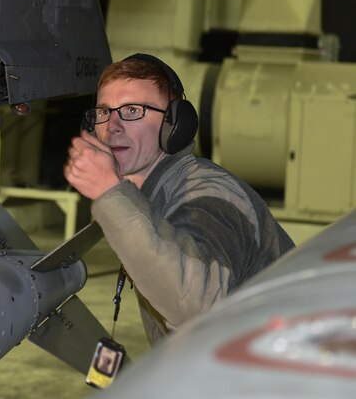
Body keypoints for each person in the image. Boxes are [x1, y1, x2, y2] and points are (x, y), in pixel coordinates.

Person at [63, 53, 294, 344]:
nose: (112, 126)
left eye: (132, 110)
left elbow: (196, 306)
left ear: (175, 124)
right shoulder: (150, 196)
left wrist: (110, 193)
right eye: (103, 112)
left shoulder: (209, 192)